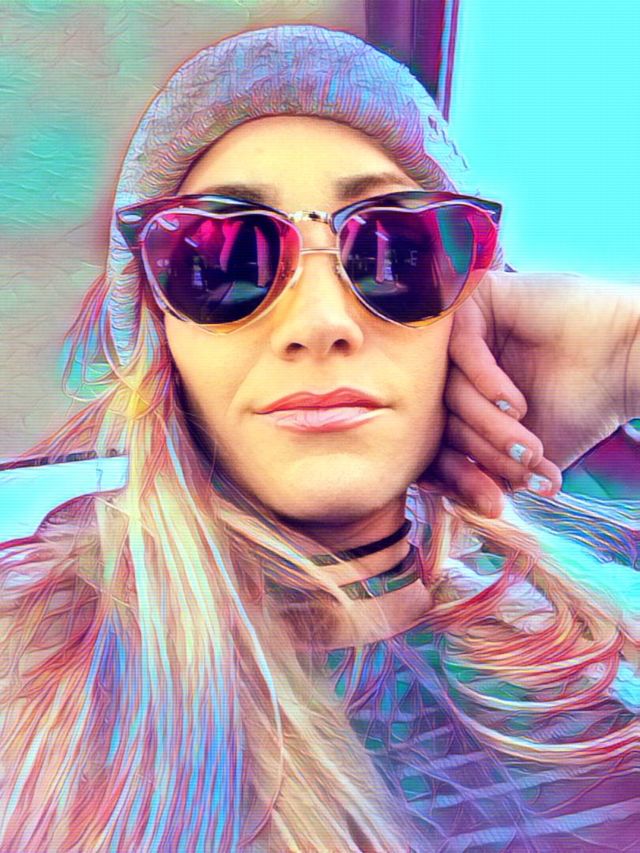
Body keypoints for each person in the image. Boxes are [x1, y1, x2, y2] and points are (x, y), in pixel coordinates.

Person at [0, 23, 638, 853]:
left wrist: (627, 349)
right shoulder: (25, 665)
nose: (320, 321)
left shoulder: (603, 643)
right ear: (162, 339)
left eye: (397, 250)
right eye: (222, 260)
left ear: (468, 313)